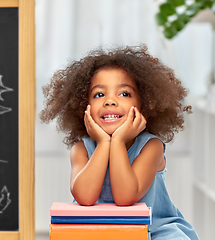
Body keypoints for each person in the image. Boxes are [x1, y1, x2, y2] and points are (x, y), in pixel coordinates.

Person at [39, 45, 199, 239]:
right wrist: (104, 143)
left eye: (124, 94)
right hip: (96, 230)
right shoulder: (81, 148)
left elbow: (126, 198)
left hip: (155, 229)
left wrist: (117, 141)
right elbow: (84, 197)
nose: (110, 101)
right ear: (84, 106)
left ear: (145, 104)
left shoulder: (151, 147)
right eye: (99, 94)